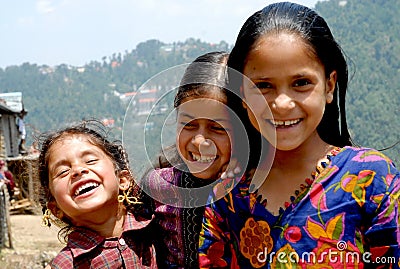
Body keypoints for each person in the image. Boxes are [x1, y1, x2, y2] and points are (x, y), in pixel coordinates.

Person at [198, 2, 400, 268]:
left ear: (329, 86)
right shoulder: (229, 197)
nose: (282, 103)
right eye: (263, 86)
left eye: (301, 83)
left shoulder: (371, 181)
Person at [142, 51, 251, 268]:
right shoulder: (159, 187)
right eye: (189, 125)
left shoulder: (257, 189)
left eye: (217, 128)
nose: (200, 141)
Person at [37, 120, 158, 268]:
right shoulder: (66, 264)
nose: (78, 170)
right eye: (63, 171)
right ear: (56, 209)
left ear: (122, 180)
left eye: (90, 160)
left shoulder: (157, 226)